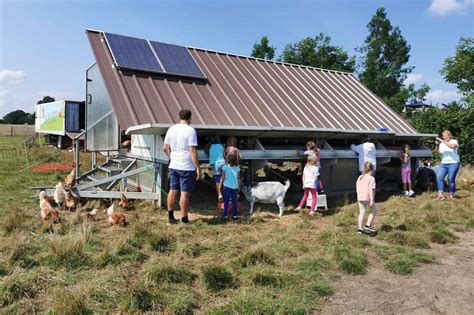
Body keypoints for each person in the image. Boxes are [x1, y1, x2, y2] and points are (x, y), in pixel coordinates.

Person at [163, 109, 200, 225]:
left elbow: (165, 148)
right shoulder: (191, 130)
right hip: (186, 167)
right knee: (184, 193)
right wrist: (198, 167)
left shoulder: (171, 129)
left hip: (174, 165)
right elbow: (192, 151)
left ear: (179, 117)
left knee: (173, 190)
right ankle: (184, 220)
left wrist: (172, 157)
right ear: (190, 118)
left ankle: (170, 218)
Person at [435, 130, 460, 200]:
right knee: (439, 178)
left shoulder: (454, 141)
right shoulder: (442, 144)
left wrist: (441, 141)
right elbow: (437, 152)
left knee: (450, 179)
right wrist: (437, 145)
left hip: (454, 163)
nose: (444, 137)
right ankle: (440, 195)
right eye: (443, 136)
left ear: (449, 135)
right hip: (443, 163)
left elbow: (452, 147)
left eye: (445, 136)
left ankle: (452, 194)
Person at [356, 161, 377, 235]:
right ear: (372, 169)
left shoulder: (360, 177)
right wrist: (371, 200)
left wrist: (358, 195)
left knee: (361, 212)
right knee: (374, 210)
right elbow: (370, 189)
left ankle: (360, 229)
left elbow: (357, 187)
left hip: (360, 197)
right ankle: (368, 225)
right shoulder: (371, 178)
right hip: (367, 197)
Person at [219, 151, 241, 220]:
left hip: (227, 187)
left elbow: (222, 177)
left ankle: (225, 215)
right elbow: (238, 179)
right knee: (234, 201)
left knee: (226, 201)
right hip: (234, 187)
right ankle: (235, 216)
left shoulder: (224, 167)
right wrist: (239, 187)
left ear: (227, 159)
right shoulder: (237, 168)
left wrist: (220, 185)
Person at [206, 136, 225, 201]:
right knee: (224, 177)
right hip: (222, 162)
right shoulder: (221, 146)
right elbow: (224, 154)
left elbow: (207, 153)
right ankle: (227, 191)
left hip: (215, 163)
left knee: (217, 179)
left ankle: (219, 194)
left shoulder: (209, 147)